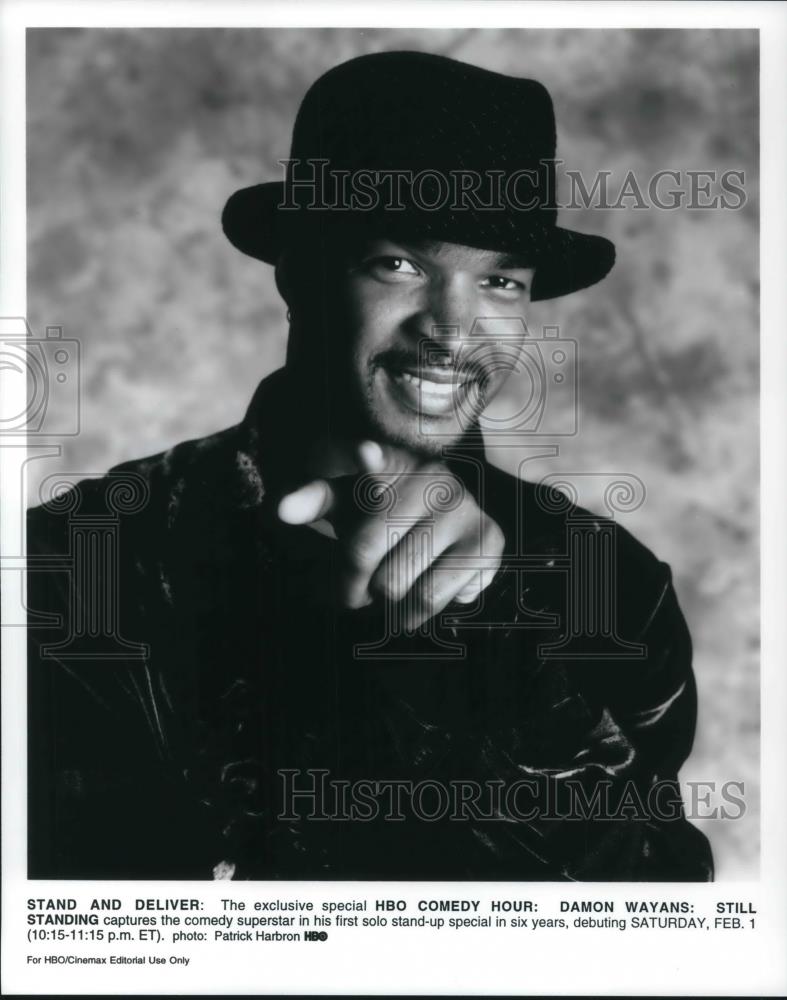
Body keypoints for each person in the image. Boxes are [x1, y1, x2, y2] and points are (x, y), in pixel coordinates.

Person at [27, 50, 713, 881]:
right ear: (297, 269)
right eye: (401, 263)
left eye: (500, 280)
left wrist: (491, 647)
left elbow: (657, 916)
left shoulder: (614, 588)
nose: (455, 329)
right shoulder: (80, 560)